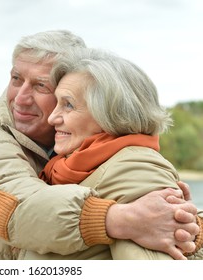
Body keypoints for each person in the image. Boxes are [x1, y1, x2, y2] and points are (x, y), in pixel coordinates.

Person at [0, 30, 201, 260]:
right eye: (16, 78)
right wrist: (121, 219)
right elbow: (11, 207)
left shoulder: (116, 158)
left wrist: (188, 228)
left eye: (40, 86)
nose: (20, 98)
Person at [29, 47, 203, 259]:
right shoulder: (70, 164)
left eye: (68, 105)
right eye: (57, 103)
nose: (52, 118)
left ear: (110, 114)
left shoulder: (135, 169)